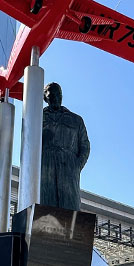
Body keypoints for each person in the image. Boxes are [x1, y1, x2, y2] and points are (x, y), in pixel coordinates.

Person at [40, 83, 89, 211]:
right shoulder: (37, 118)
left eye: (59, 95)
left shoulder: (76, 119)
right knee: (46, 207)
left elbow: (85, 145)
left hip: (68, 166)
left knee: (70, 206)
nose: (56, 98)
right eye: (52, 95)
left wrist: (76, 165)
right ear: (45, 98)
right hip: (46, 166)